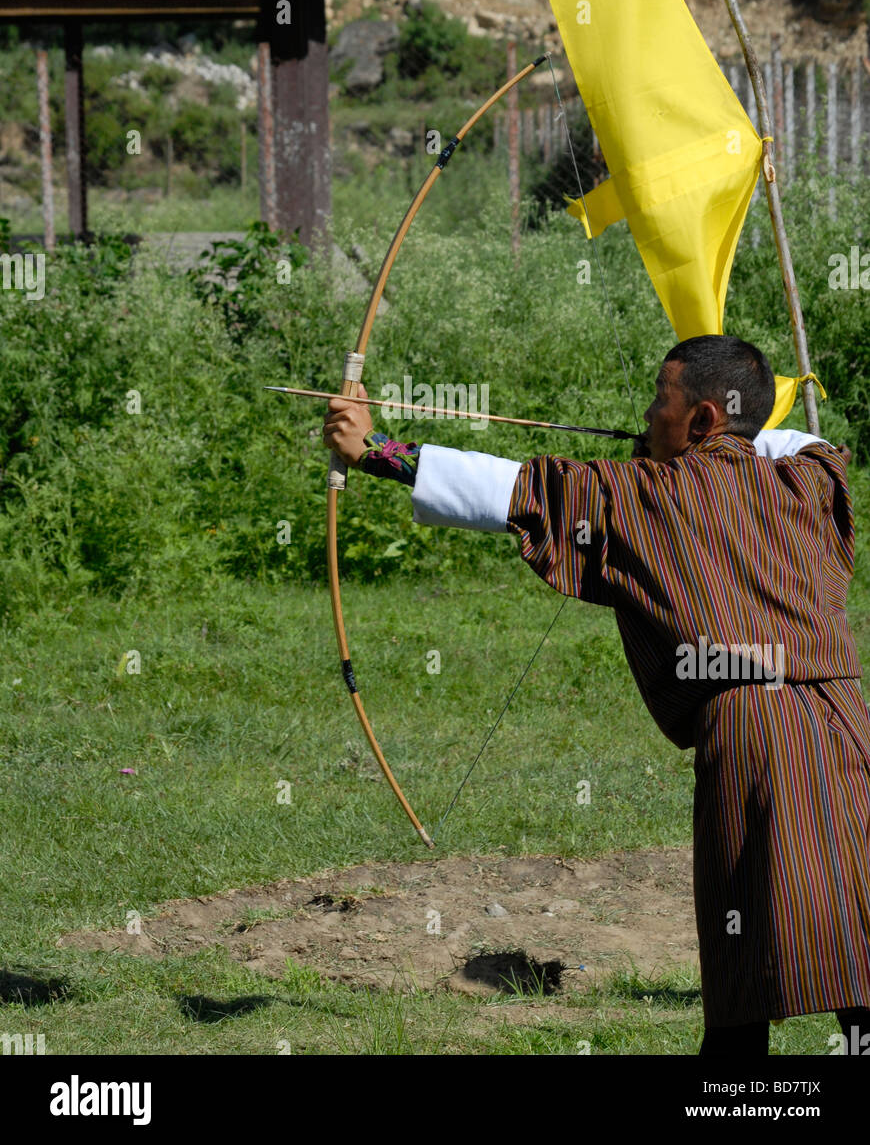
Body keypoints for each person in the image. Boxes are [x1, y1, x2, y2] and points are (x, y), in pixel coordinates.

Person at [323, 334, 870, 1056]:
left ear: (704, 418)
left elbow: (505, 488)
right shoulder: (810, 482)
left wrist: (372, 449)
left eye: (660, 401)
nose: (645, 415)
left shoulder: (640, 495)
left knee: (743, 940)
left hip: (757, 734)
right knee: (854, 919)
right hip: (847, 723)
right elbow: (809, 440)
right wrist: (705, 443)